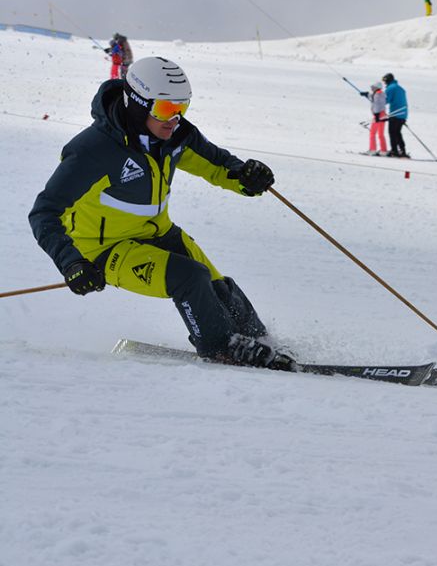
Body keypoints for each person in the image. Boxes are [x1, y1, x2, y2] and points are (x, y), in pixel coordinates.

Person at [28, 56, 292, 370]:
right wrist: (71, 262)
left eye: (183, 108)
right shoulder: (92, 151)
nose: (175, 119)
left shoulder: (176, 137)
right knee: (191, 278)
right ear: (137, 104)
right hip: (103, 250)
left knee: (218, 287)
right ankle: (221, 348)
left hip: (159, 232)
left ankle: (260, 343)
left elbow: (218, 165)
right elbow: (44, 213)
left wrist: (247, 178)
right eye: (166, 109)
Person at [382, 73, 409, 158]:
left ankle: (394, 151)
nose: (384, 83)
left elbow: (385, 101)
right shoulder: (400, 88)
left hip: (395, 114)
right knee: (397, 133)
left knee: (392, 133)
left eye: (385, 81)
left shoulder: (390, 88)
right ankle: (402, 150)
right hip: (403, 114)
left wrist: (373, 99)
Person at [359, 82, 388, 156]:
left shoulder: (377, 94)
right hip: (383, 114)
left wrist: (377, 115)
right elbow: (373, 97)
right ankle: (383, 151)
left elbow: (377, 104)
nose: (372, 88)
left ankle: (372, 150)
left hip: (378, 115)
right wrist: (366, 94)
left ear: (377, 87)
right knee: (381, 134)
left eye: (373, 87)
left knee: (372, 133)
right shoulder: (380, 93)